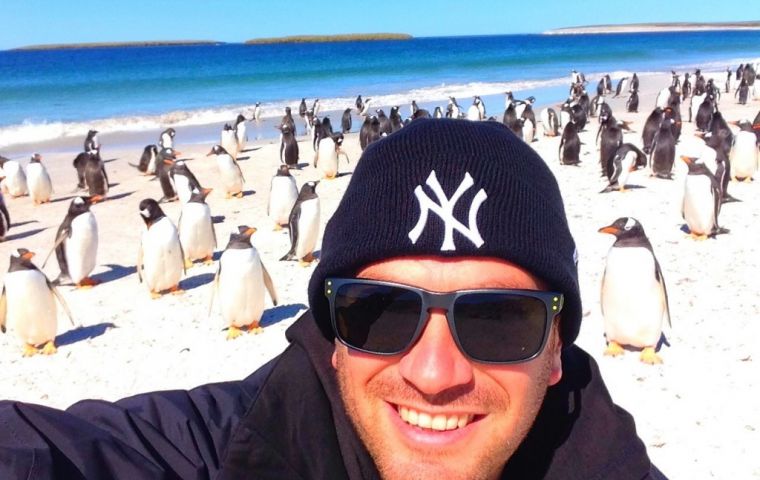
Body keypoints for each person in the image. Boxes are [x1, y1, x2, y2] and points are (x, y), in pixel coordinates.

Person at [0, 120, 666, 479]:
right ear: (333, 335)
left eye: (497, 320)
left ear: (556, 349)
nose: (434, 375)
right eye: (381, 312)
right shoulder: (219, 450)